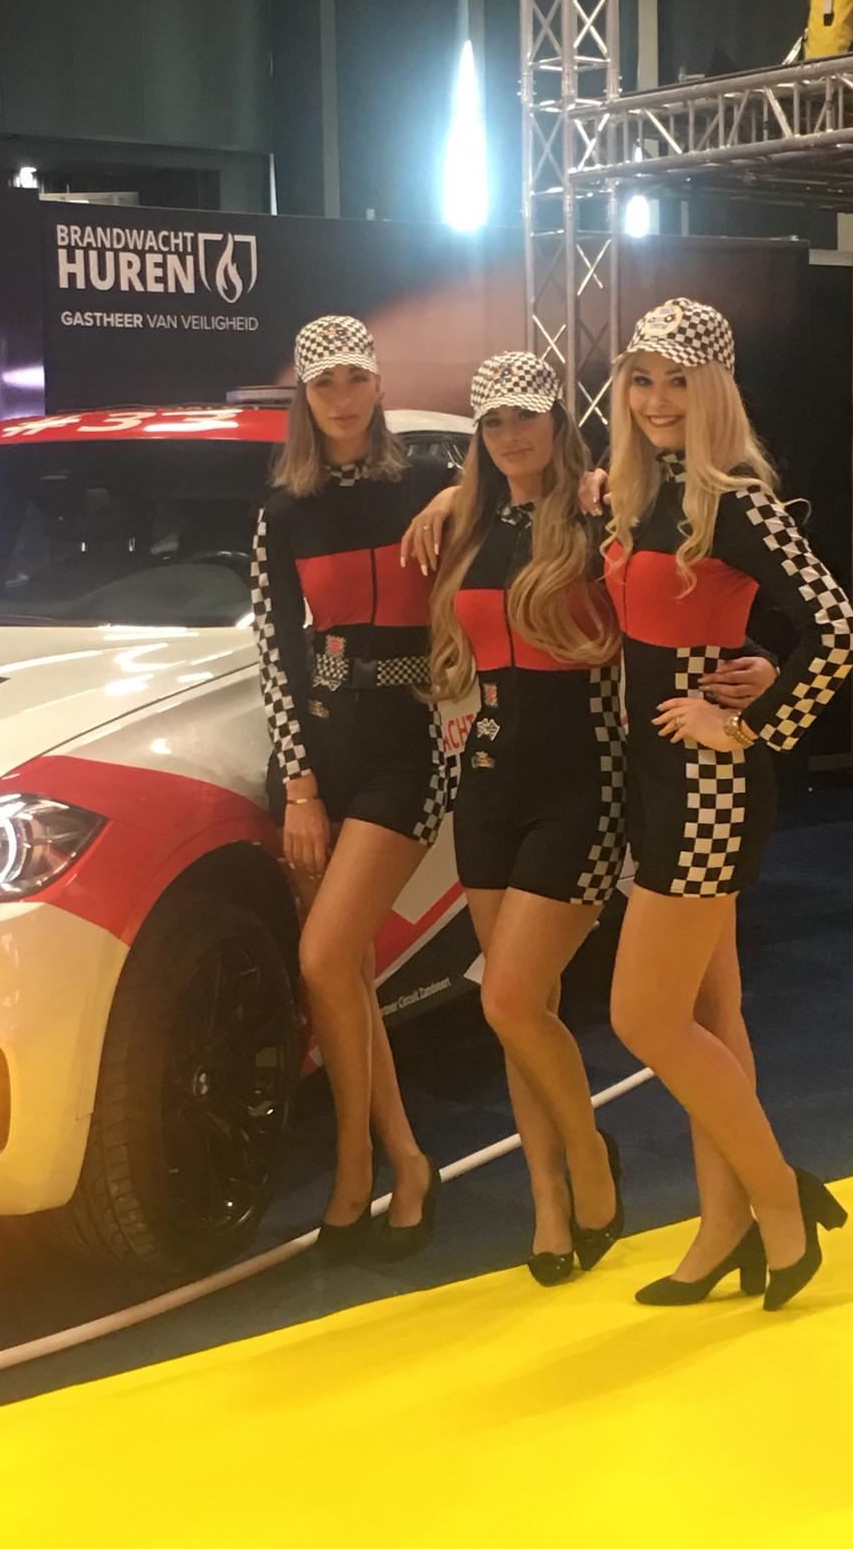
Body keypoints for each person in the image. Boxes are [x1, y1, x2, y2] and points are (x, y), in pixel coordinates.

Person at [413, 352, 776, 1284]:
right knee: (517, 1012)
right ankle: (550, 1201)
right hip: (488, 782)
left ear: (559, 419)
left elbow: (695, 595)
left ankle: (600, 1163)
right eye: (493, 421)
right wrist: (447, 501)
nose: (512, 434)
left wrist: (759, 669)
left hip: (590, 776)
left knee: (513, 996)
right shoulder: (463, 524)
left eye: (527, 415)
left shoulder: (602, 509)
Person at [605, 297, 853, 1311]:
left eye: (678, 380)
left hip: (704, 788)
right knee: (711, 1013)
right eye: (642, 379)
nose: (657, 399)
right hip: (655, 780)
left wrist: (749, 727)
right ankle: (726, 1226)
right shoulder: (642, 496)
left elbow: (838, 631)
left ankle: (780, 1199)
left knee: (643, 1017)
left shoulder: (735, 500)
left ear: (714, 390)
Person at [251, 315, 453, 1259]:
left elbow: (528, 492)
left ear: (378, 385)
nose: (340, 396)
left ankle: (357, 1163)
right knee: (348, 975)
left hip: (409, 747)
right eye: (323, 382)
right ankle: (402, 1161)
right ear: (304, 394)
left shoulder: (428, 483)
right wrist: (298, 786)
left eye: (354, 378)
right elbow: (275, 653)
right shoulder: (282, 508)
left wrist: (580, 483)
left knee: (327, 958)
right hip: (318, 759)